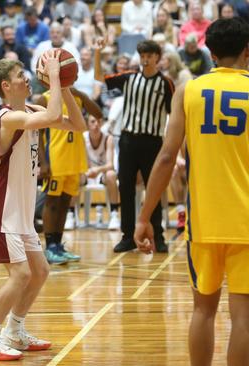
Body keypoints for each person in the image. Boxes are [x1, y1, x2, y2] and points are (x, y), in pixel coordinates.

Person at [134, 17, 249, 366]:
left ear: (211, 52)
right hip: (248, 223)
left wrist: (144, 218)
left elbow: (166, 158)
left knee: (202, 311)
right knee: (244, 321)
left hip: (203, 222)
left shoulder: (189, 91)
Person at [0, 53, 86, 360]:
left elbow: (78, 125)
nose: (28, 79)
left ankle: (15, 332)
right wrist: (54, 74)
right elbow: (50, 118)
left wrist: (65, 86)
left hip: (18, 210)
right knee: (20, 274)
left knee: (40, 270)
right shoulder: (7, 118)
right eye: (22, 75)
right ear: (7, 86)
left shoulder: (33, 109)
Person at [95, 39, 175, 253]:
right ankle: (128, 236)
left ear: (157, 58)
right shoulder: (129, 78)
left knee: (154, 189)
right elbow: (98, 78)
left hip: (153, 142)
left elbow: (173, 115)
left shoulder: (166, 83)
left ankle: (158, 236)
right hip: (128, 140)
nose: (145, 59)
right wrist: (97, 53)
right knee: (126, 188)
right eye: (142, 56)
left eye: (149, 55)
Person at [37, 87, 100, 262]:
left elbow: (98, 113)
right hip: (55, 160)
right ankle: (49, 247)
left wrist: (82, 94)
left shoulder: (77, 98)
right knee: (52, 203)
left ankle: (58, 245)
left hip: (74, 160)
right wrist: (43, 162)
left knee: (65, 203)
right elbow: (37, 133)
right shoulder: (44, 99)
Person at [83, 114, 121, 230]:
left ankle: (114, 214)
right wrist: (87, 171)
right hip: (87, 173)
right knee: (74, 175)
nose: (96, 125)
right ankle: (71, 215)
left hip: (102, 172)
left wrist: (97, 170)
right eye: (93, 122)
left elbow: (110, 165)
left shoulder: (108, 138)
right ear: (87, 124)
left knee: (111, 174)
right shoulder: (82, 138)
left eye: (99, 122)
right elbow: (81, 163)